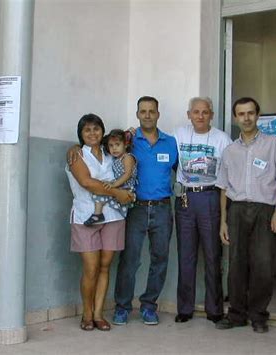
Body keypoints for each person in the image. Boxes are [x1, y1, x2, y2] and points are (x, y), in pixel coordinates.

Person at [215, 97, 276, 333]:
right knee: (236, 265)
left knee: (262, 264)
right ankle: (237, 314)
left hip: (265, 210)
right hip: (237, 210)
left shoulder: (273, 145)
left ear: (258, 115)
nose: (246, 118)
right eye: (241, 114)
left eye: (250, 113)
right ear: (235, 118)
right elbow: (223, 189)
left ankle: (259, 315)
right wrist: (223, 221)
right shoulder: (230, 151)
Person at [112, 96, 178, 326]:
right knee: (130, 259)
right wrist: (74, 148)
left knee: (160, 259)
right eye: (143, 111)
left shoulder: (171, 142)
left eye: (152, 111)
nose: (147, 115)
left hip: (162, 209)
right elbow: (100, 147)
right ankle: (122, 307)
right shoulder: (128, 140)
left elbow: (182, 171)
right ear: (137, 114)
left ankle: (149, 306)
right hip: (135, 209)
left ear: (158, 114)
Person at [66, 114, 134, 331]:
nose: (92, 133)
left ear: (102, 132)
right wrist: (118, 193)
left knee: (105, 267)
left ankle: (98, 314)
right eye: (87, 130)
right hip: (87, 217)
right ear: (81, 135)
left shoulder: (111, 153)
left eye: (96, 129)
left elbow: (127, 140)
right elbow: (86, 182)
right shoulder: (77, 156)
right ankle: (86, 314)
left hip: (113, 217)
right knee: (91, 268)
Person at [173, 97, 232, 324]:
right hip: (185, 198)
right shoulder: (178, 135)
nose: (200, 116)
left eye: (205, 112)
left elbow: (228, 171)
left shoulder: (221, 139)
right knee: (185, 256)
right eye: (195, 112)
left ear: (212, 114)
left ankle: (215, 309)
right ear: (189, 114)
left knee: (212, 255)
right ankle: (185, 308)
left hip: (210, 197)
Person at [84, 129, 137, 225]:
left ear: (125, 145)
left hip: (127, 188)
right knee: (100, 190)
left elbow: (127, 174)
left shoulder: (128, 157)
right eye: (111, 146)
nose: (114, 148)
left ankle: (99, 214)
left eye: (117, 145)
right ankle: (98, 214)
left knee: (103, 191)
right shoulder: (115, 158)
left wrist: (113, 185)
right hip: (118, 186)